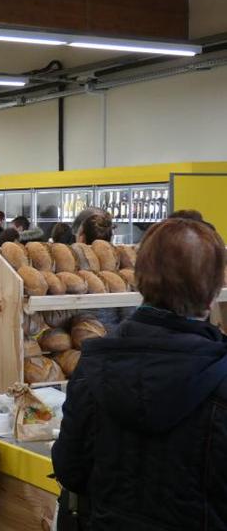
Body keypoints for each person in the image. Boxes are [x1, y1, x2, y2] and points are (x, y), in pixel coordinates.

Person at [52, 218, 227, 530]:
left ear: (139, 279)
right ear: (213, 293)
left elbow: (70, 470)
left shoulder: (93, 364)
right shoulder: (218, 375)